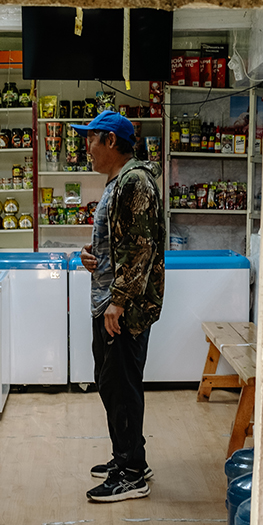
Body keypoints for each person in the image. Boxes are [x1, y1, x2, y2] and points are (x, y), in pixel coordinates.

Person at [75, 111, 165, 503]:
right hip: (110, 300)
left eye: (91, 139)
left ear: (111, 141)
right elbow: (122, 243)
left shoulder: (135, 182)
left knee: (121, 386)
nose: (86, 148)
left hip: (122, 308)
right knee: (113, 384)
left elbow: (142, 249)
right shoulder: (118, 183)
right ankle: (129, 458)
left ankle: (131, 474)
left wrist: (118, 301)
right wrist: (92, 254)